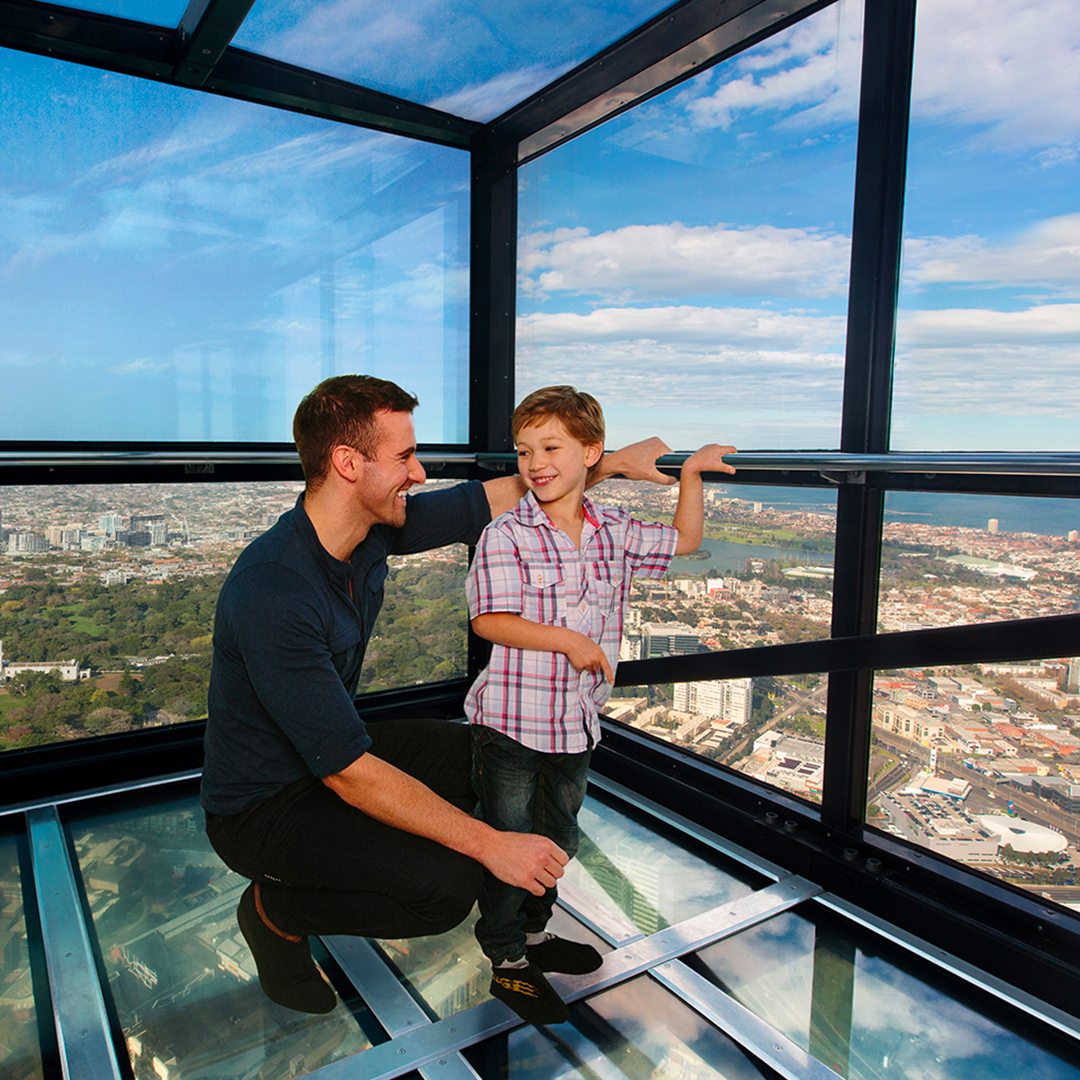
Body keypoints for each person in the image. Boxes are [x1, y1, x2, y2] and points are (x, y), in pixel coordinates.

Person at [199, 374, 680, 1014]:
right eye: (402, 457)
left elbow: (500, 497)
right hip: (263, 804)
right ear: (348, 463)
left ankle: (524, 938)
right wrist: (491, 845)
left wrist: (612, 463)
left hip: (328, 756)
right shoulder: (274, 591)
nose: (419, 473)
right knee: (444, 888)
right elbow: (347, 772)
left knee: (496, 756)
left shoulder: (371, 530)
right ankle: (274, 910)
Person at [465, 386, 736, 1024]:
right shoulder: (506, 534)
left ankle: (535, 935)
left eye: (551, 447)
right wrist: (565, 639)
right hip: (508, 723)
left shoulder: (614, 532)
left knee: (558, 837)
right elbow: (489, 621)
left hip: (575, 723)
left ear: (592, 453)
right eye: (525, 450)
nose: (535, 462)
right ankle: (506, 958)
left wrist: (689, 475)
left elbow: (685, 541)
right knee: (510, 845)